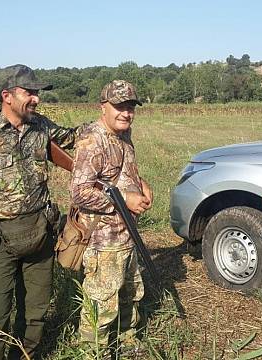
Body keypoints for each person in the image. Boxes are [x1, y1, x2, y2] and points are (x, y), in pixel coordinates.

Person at [0, 64, 81, 359]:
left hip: (40, 233)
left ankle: (24, 355)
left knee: (35, 312)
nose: (36, 98)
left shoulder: (41, 126)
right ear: (7, 95)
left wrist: (109, 120)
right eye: (29, 92)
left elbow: (75, 138)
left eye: (37, 93)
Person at [69, 80, 152, 357]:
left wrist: (141, 185)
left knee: (130, 294)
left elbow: (122, 173)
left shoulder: (123, 135)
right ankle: (94, 351)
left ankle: (128, 341)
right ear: (103, 107)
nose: (125, 113)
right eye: (119, 107)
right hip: (104, 239)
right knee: (102, 303)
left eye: (130, 107)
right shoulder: (93, 140)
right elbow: (80, 192)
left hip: (128, 235)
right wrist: (124, 201)